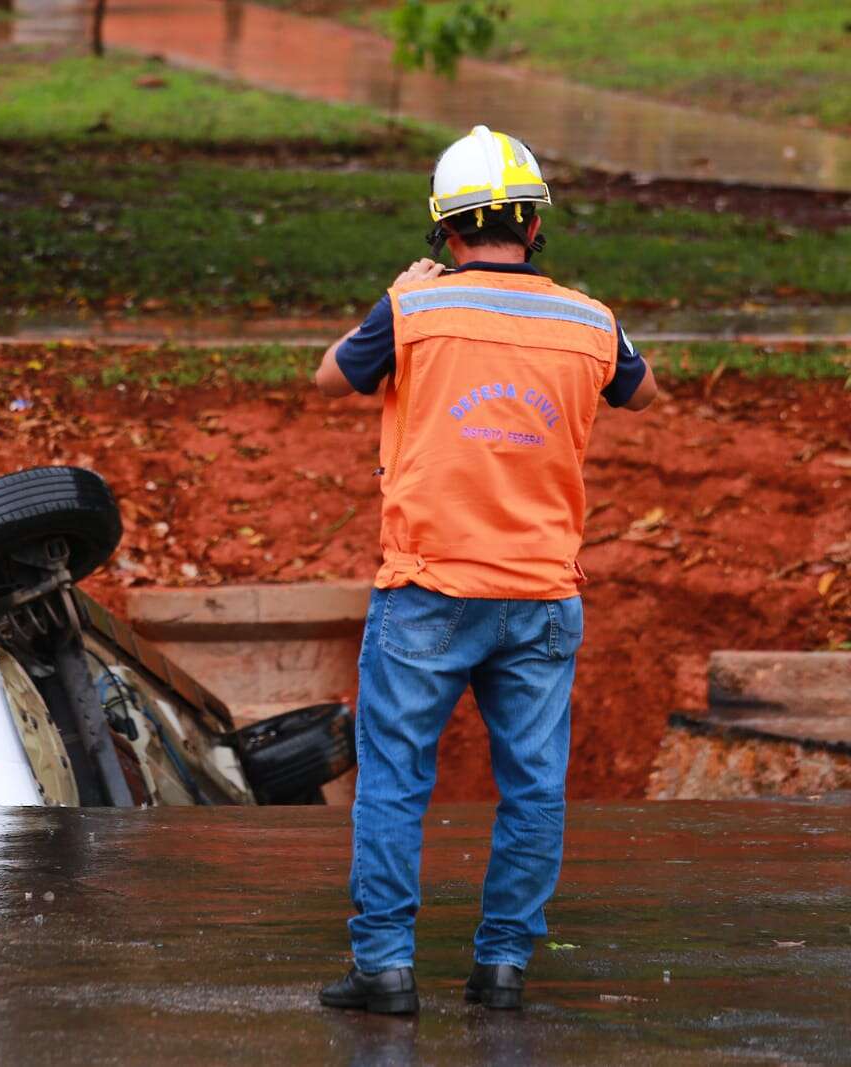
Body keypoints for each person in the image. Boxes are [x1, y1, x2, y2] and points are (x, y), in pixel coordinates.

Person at [311, 127, 657, 1014]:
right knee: (534, 786)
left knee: (394, 780)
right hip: (540, 595)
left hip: (428, 589)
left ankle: (385, 967)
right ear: (534, 228)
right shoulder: (590, 320)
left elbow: (329, 380)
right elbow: (645, 390)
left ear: (445, 232)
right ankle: (502, 965)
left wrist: (401, 295)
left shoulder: (412, 310)